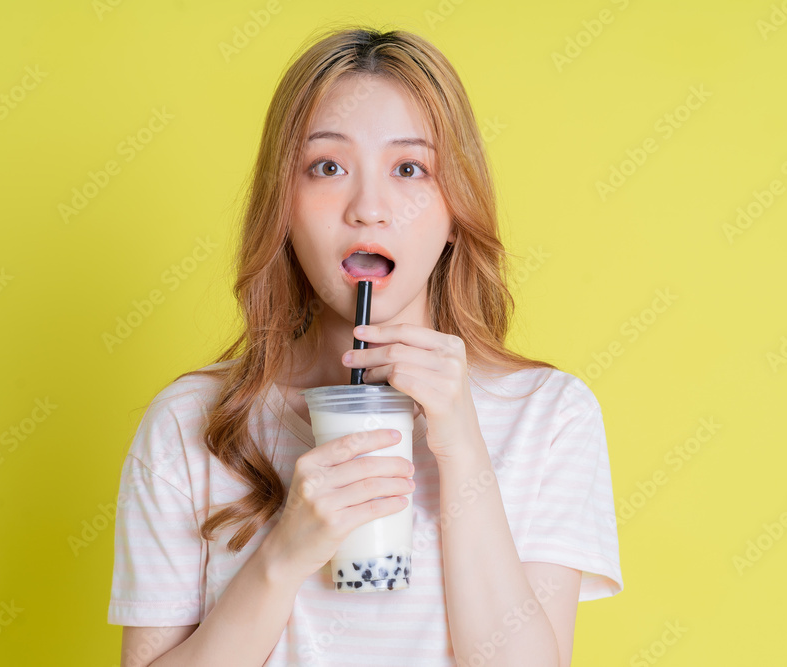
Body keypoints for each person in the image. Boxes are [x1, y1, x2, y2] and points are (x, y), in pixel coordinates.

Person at [107, 25, 622, 667]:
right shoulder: (191, 423)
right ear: (283, 207)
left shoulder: (548, 415)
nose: (369, 209)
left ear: (456, 207)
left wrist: (462, 447)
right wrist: (285, 551)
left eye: (410, 168)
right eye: (327, 167)